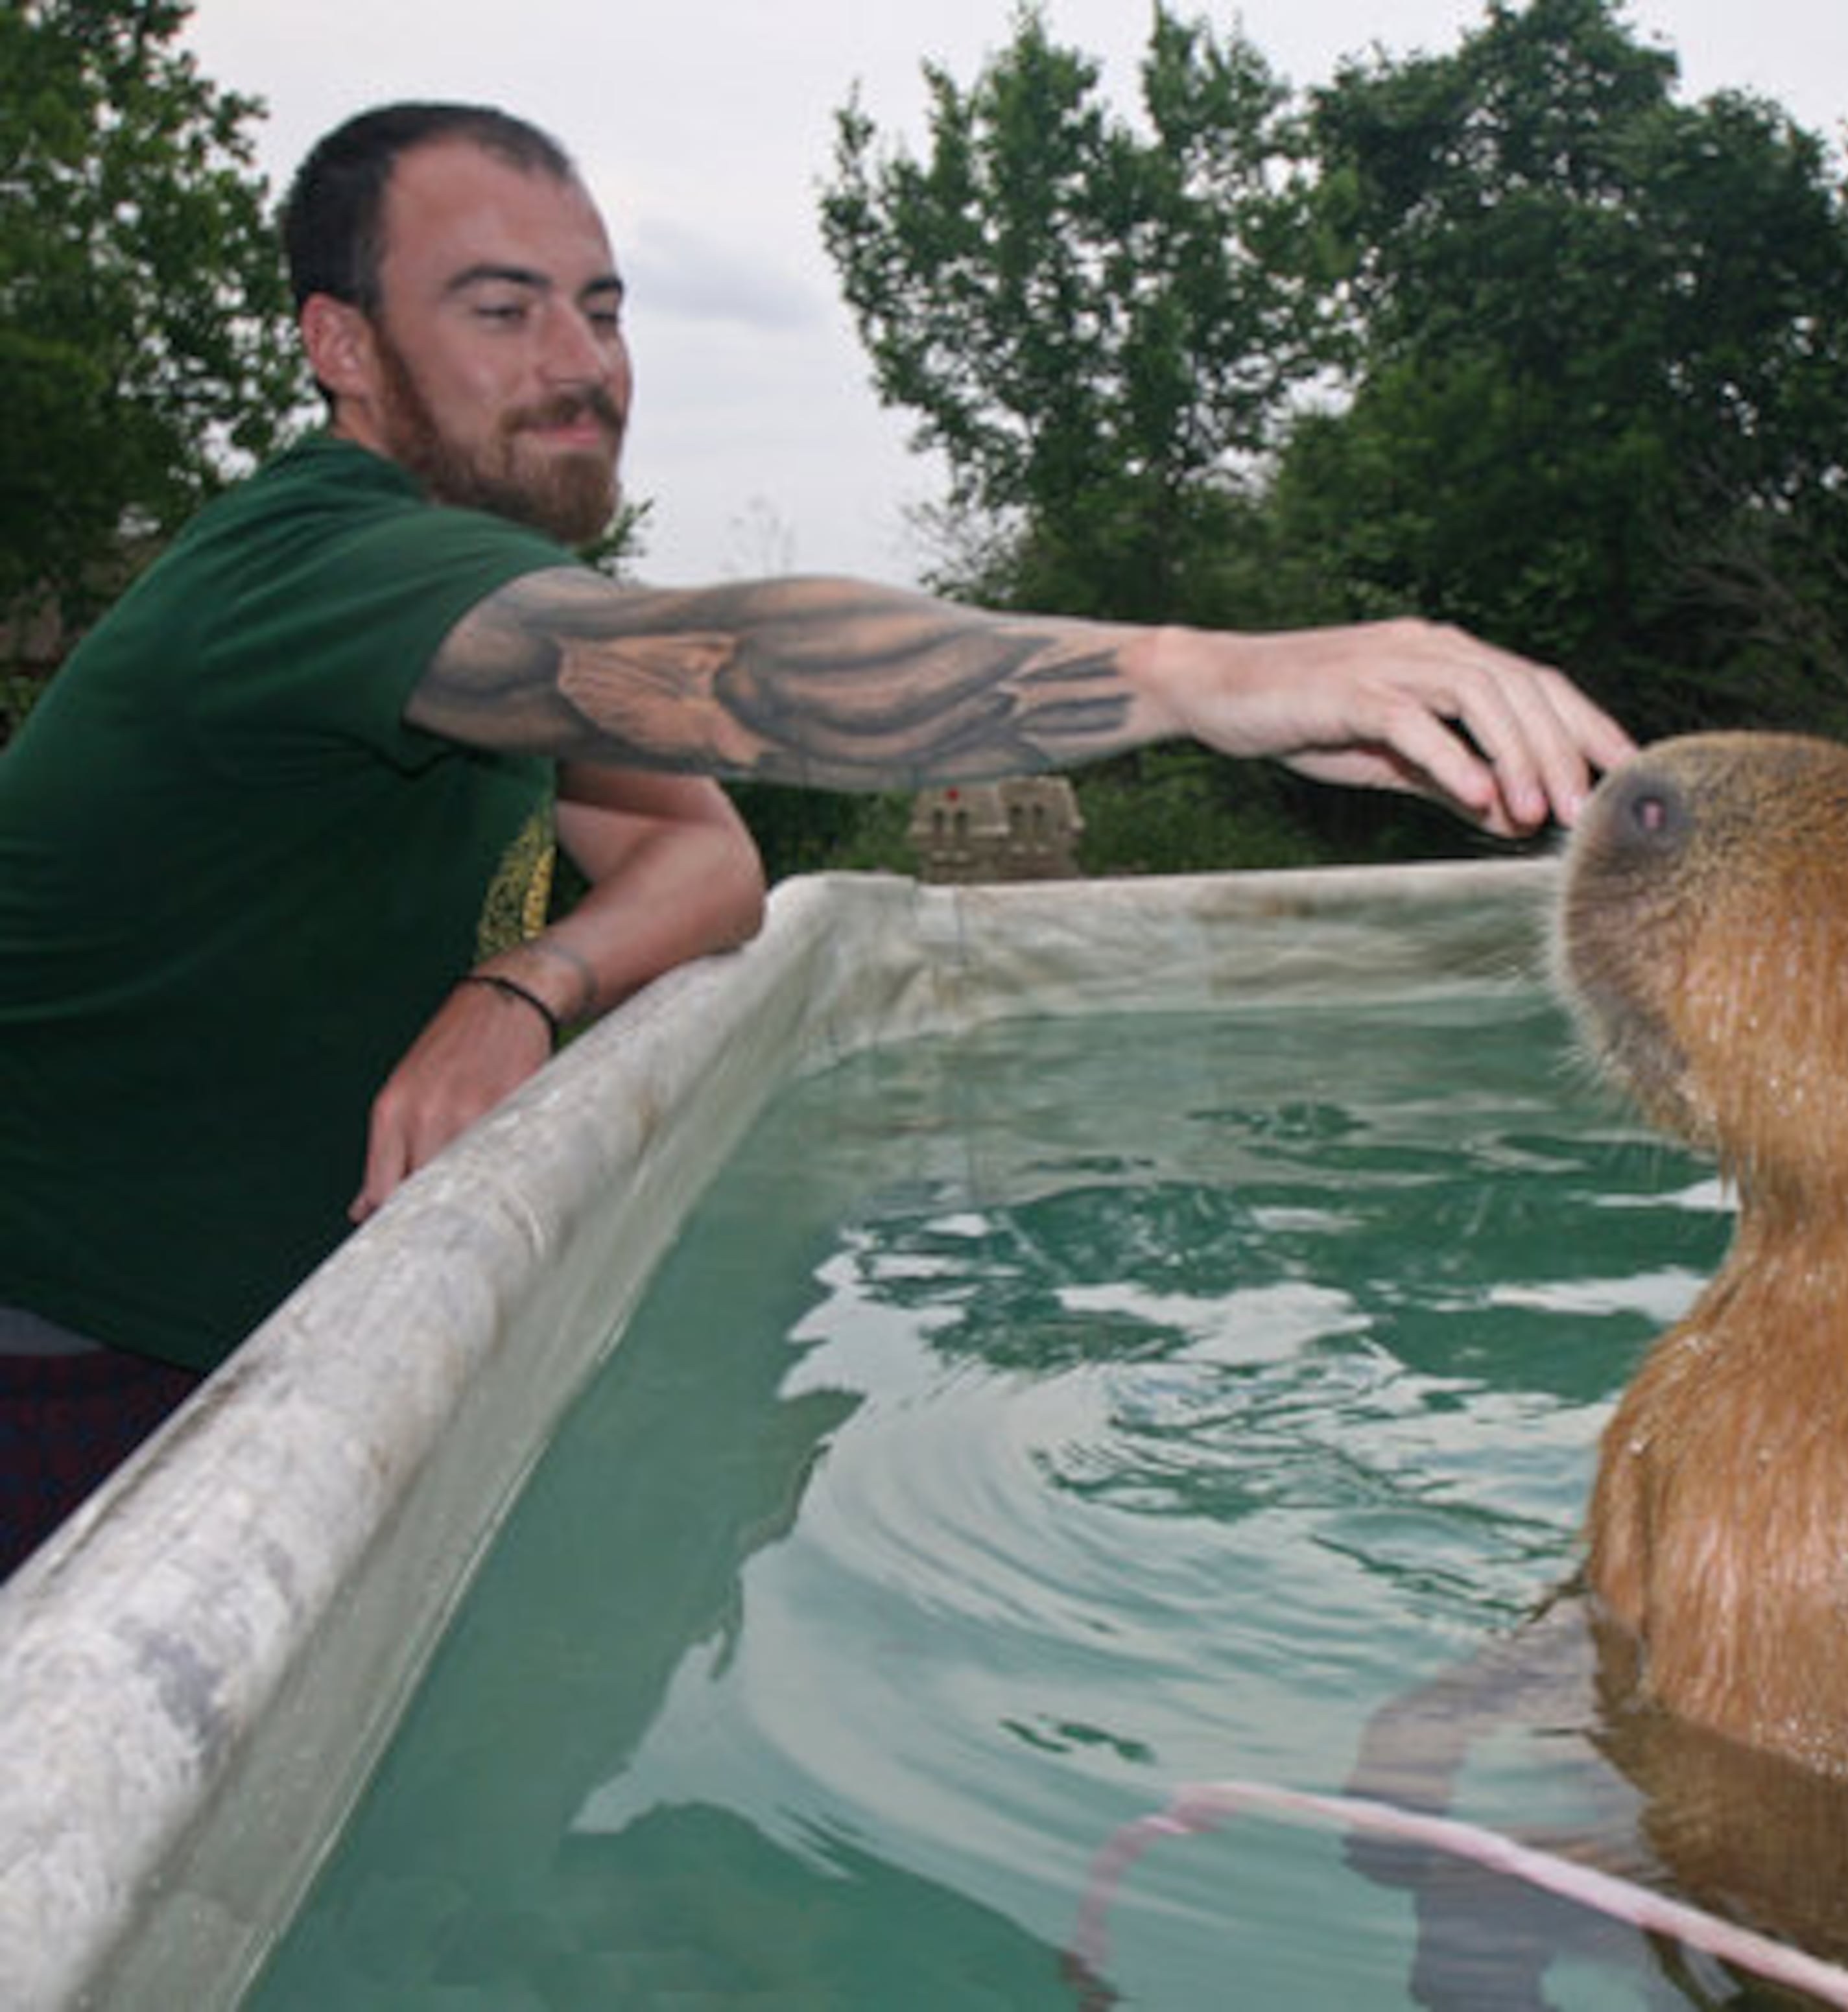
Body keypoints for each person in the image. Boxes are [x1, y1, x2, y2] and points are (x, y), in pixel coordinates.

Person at [0, 101, 1633, 1576]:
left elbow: (708, 865)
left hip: (277, 1348)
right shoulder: (316, 572)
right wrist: (1190, 676)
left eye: (604, 306)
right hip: (71, 1375)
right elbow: (739, 679)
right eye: (499, 310)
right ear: (341, 346)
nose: (581, 361)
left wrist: (527, 980)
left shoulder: (459, 596)